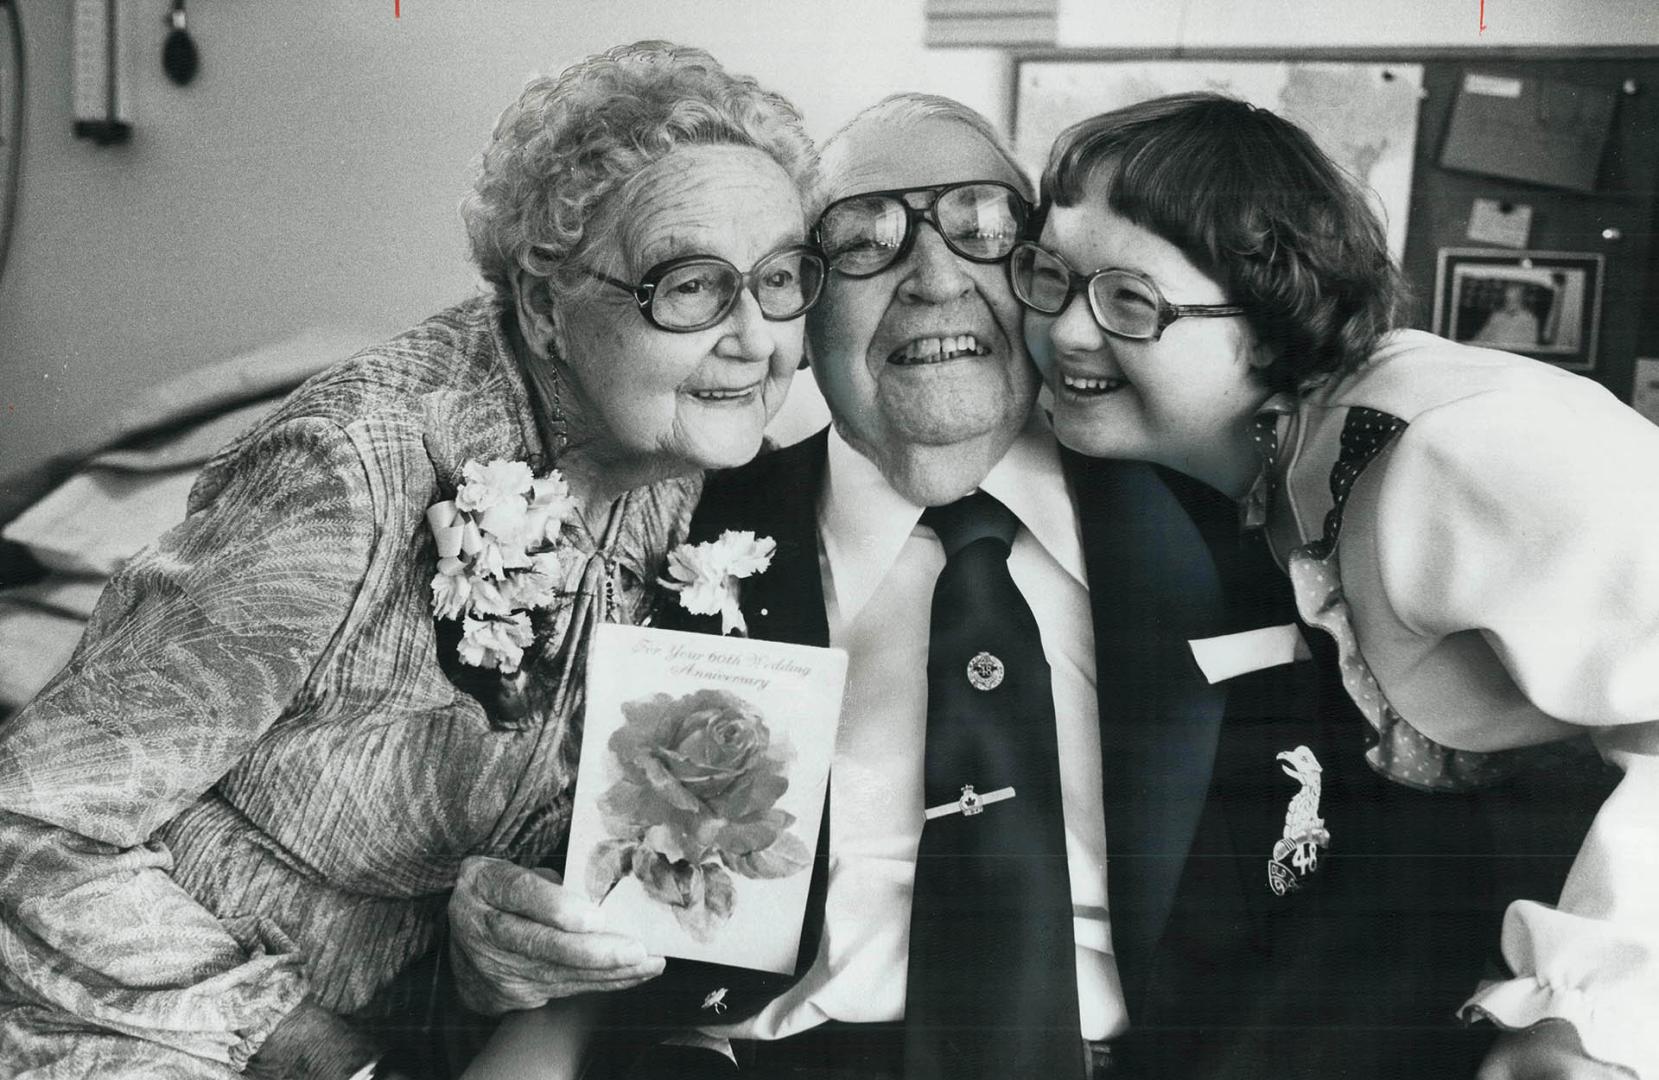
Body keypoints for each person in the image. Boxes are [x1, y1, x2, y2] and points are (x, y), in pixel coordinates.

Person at [0, 41, 823, 1079]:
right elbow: (32, 823)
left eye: (782, 278)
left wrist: (497, 955)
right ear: (542, 309)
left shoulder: (705, 472)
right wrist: (302, 1051)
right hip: (145, 1031)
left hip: (427, 1041)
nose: (756, 337)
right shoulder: (351, 473)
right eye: (690, 286)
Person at [447, 92, 1255, 1080]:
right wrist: (508, 946)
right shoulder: (673, 538)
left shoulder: (1231, 533)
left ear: (1047, 278)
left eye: (985, 229)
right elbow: (564, 915)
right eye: (863, 243)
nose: (934, 279)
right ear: (797, 300)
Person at [1013, 92, 1659, 1079]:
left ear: (1271, 327)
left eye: (1127, 301)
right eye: (1049, 278)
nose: (1063, 332)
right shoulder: (1286, 473)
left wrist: (1586, 1021)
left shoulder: (1447, 449)